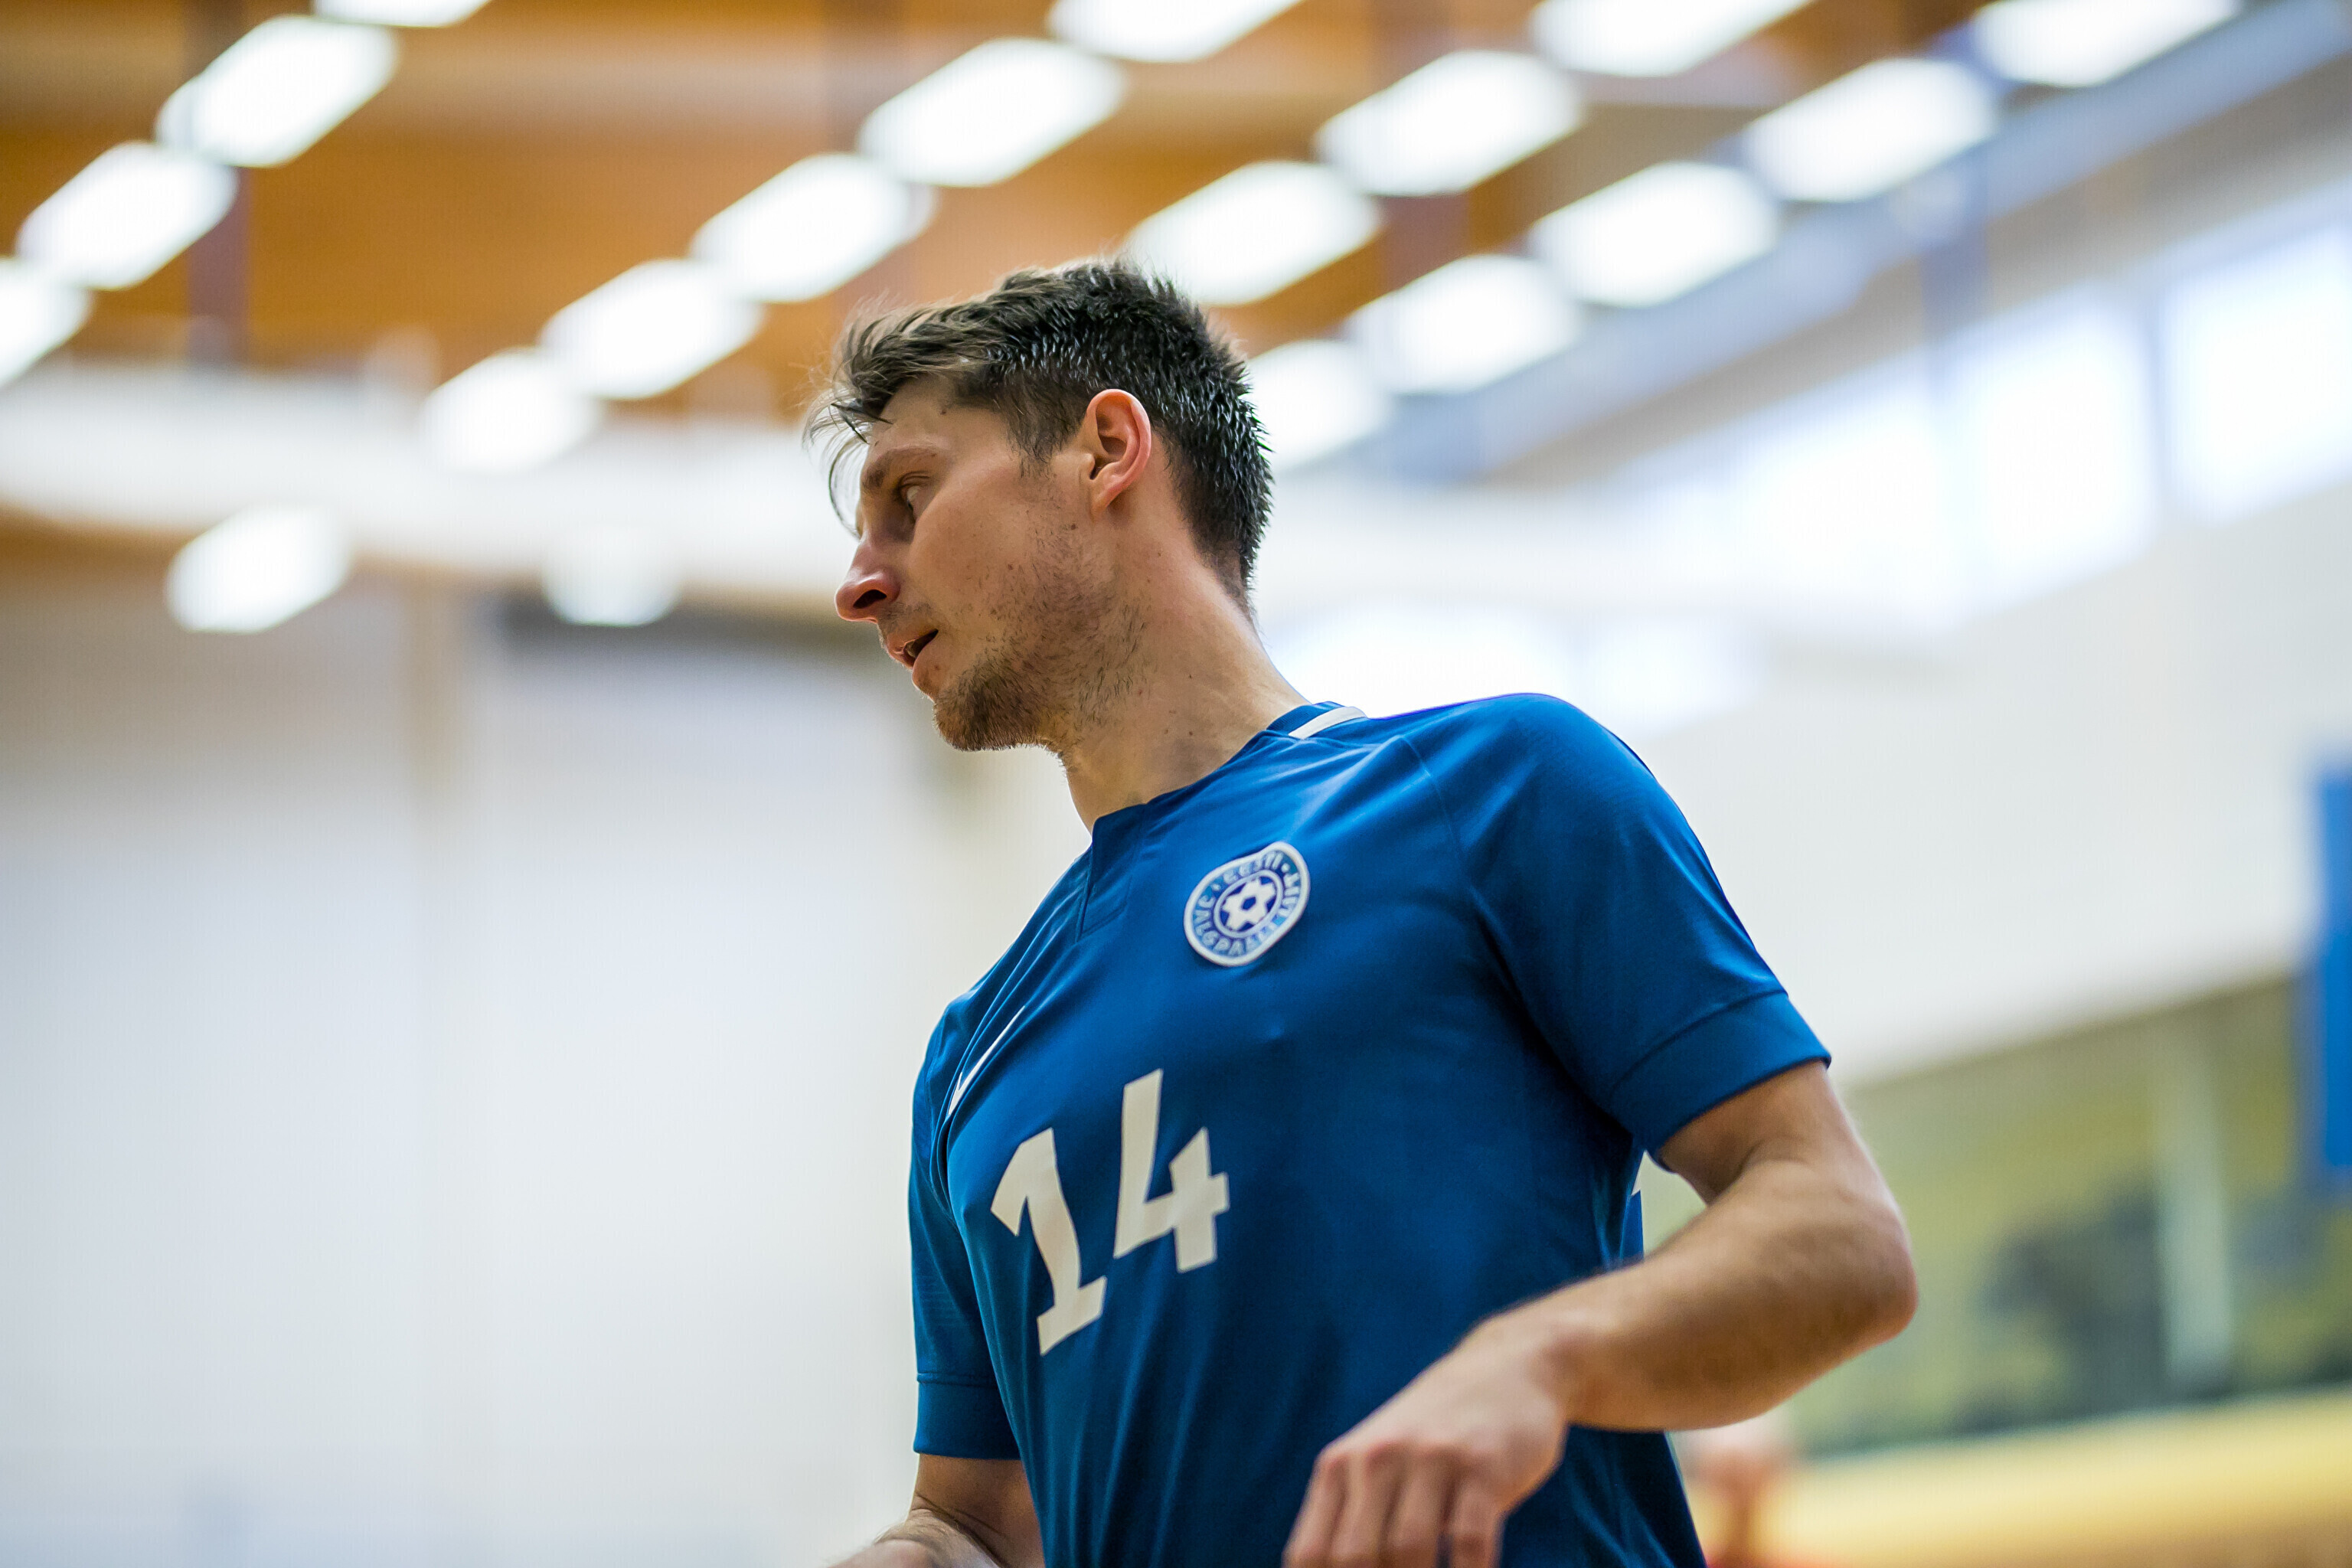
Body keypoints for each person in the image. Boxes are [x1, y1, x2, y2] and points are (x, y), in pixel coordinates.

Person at [818, 260, 1916, 1568]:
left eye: (909, 497)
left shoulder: (1497, 786)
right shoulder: (971, 1057)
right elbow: (977, 1524)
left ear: (1106, 450)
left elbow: (1842, 1234)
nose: (860, 583)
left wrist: (1541, 1359)